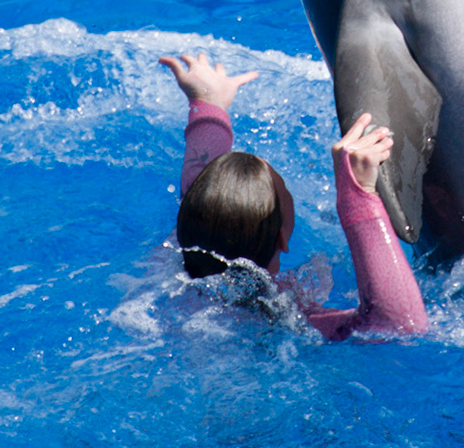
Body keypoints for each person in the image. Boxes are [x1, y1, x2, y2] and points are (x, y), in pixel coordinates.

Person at [158, 51, 428, 340]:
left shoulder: (174, 261)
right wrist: (357, 196)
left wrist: (208, 105)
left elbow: (199, 190)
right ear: (282, 239)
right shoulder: (283, 318)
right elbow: (399, 326)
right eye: (284, 189)